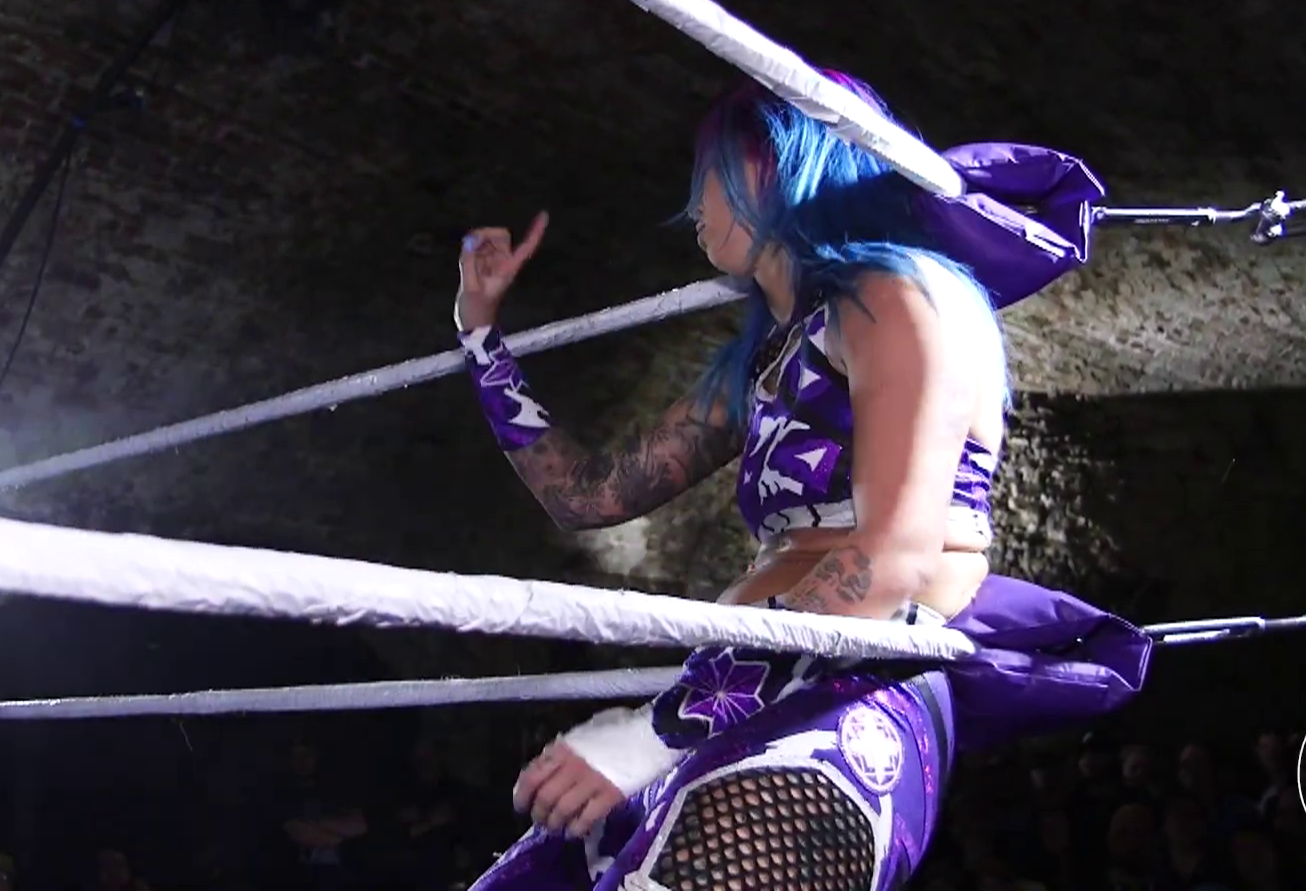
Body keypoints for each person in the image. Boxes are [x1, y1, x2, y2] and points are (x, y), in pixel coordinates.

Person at [450, 73, 1152, 890]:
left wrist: (655, 732)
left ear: (771, 161)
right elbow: (589, 495)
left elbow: (891, 561)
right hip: (736, 701)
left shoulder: (898, 294)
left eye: (709, 173)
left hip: (843, 701)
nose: (693, 203)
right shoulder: (768, 361)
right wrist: (479, 336)